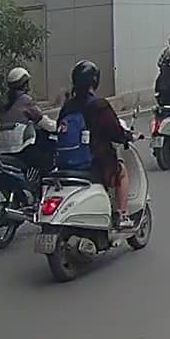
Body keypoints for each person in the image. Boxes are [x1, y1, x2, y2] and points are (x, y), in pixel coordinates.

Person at [56, 61, 135, 228]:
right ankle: (123, 215)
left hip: (65, 163)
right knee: (121, 171)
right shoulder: (99, 105)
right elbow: (115, 131)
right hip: (95, 162)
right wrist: (128, 136)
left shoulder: (67, 107)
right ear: (95, 81)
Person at [0, 67, 57, 172]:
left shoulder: (2, 101)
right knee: (43, 157)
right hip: (20, 148)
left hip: (1, 148)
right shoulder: (25, 100)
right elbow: (41, 120)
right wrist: (55, 126)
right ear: (24, 84)